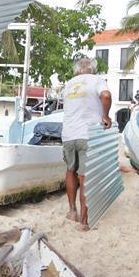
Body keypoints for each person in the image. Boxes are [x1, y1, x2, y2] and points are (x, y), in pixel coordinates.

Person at [61, 57, 112, 230]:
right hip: (87, 134)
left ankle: (72, 211)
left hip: (68, 134)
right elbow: (106, 95)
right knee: (84, 178)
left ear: (77, 70)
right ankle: (84, 222)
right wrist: (105, 116)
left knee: (70, 171)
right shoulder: (97, 80)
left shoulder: (68, 84)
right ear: (92, 69)